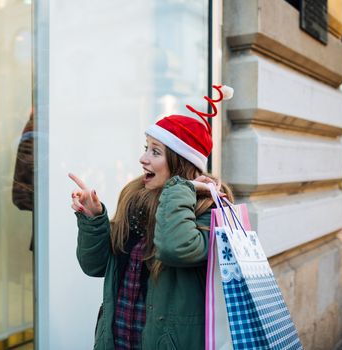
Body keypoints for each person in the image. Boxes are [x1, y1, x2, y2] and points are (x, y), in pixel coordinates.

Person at [69, 85, 234, 349]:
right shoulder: (134, 201)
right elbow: (95, 266)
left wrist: (181, 189)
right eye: (146, 148)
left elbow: (174, 248)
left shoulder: (209, 210)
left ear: (181, 162)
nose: (142, 158)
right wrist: (93, 220)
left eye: (155, 152)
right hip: (117, 340)